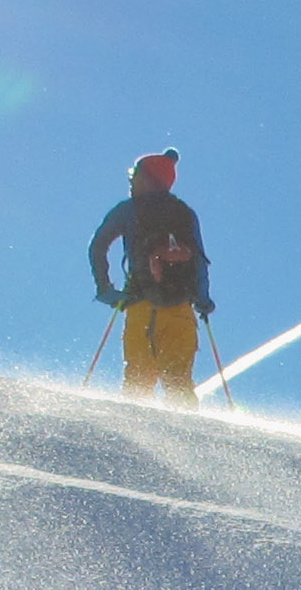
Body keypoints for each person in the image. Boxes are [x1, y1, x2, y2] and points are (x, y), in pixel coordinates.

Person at [89, 149, 212, 403]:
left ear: (147, 179)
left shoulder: (128, 210)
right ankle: (187, 435)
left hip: (140, 304)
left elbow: (98, 246)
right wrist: (203, 298)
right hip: (181, 308)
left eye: (134, 175)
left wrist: (105, 289)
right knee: (179, 381)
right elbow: (199, 259)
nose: (131, 181)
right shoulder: (184, 212)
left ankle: (132, 435)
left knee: (138, 378)